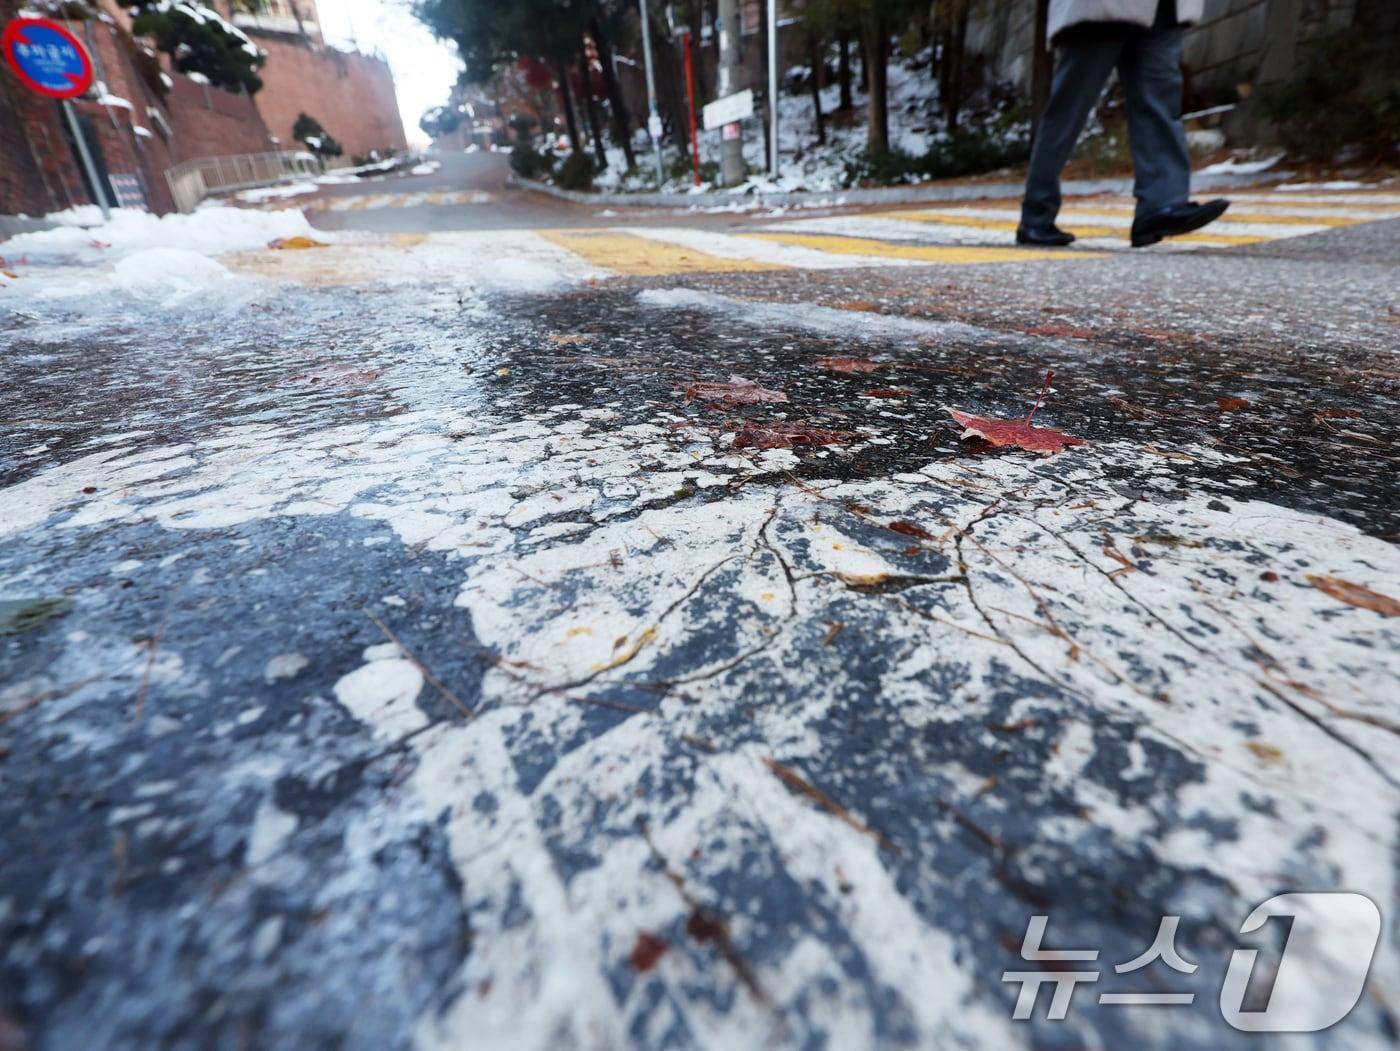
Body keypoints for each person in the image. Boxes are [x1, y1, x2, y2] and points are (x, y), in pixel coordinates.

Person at [1017, 0, 1229, 248]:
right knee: (1069, 109)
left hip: (1166, 9)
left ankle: (1160, 206)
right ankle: (1036, 216)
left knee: (1160, 106)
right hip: (1103, 8)